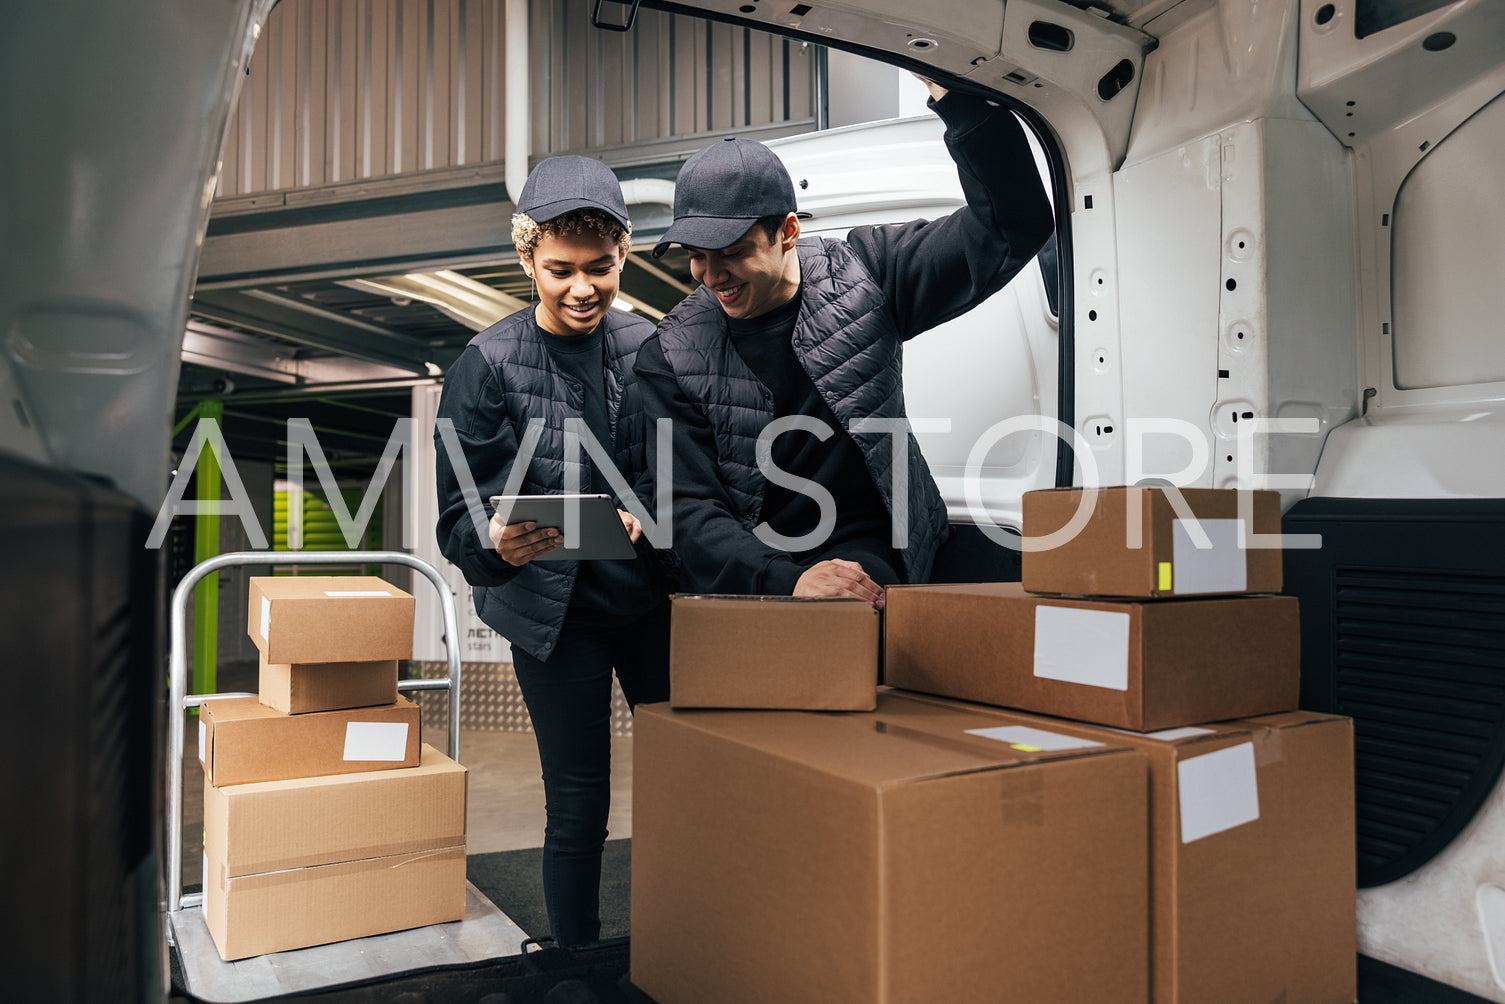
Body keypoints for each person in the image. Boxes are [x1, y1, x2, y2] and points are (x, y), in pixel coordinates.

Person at [633, 79, 1053, 607]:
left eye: (732, 252)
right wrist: (787, 579)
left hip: (873, 549)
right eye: (695, 255)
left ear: (787, 231)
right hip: (751, 576)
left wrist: (959, 102)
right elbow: (689, 512)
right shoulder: (670, 355)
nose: (711, 275)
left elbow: (1014, 226)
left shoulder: (866, 275)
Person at [433, 155, 673, 950]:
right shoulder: (487, 364)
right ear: (526, 260)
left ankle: (689, 940)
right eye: (560, 269)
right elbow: (456, 516)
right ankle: (571, 958)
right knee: (577, 802)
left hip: (648, 608)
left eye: (599, 269)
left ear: (624, 255)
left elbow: (689, 473)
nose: (582, 289)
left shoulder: (654, 347)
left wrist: (650, 508)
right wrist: (493, 545)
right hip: (550, 616)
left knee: (687, 786)